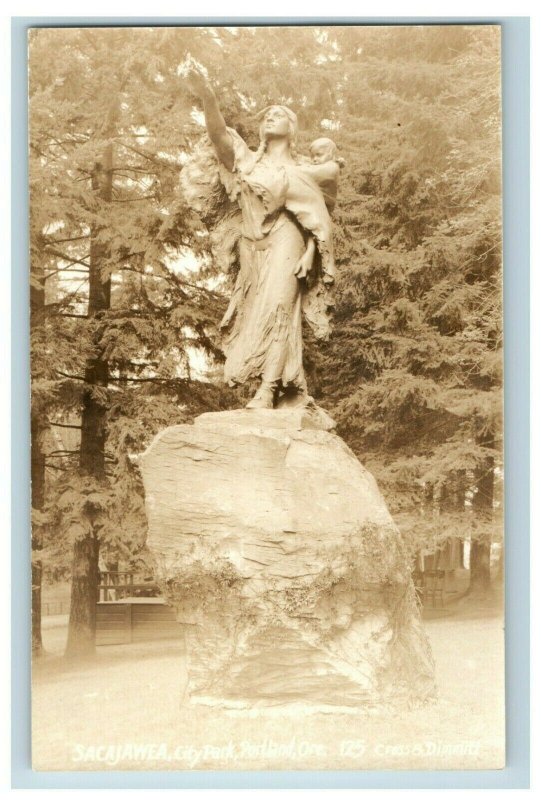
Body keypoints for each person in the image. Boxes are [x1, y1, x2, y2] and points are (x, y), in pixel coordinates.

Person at [186, 68, 339, 409]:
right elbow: (218, 136)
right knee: (254, 315)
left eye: (279, 115)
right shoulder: (248, 161)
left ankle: (267, 390)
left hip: (288, 242)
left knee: (280, 310)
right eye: (267, 115)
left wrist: (311, 251)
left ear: (291, 128)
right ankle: (287, 386)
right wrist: (208, 96)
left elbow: (319, 215)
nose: (271, 117)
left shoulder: (302, 170)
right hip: (251, 248)